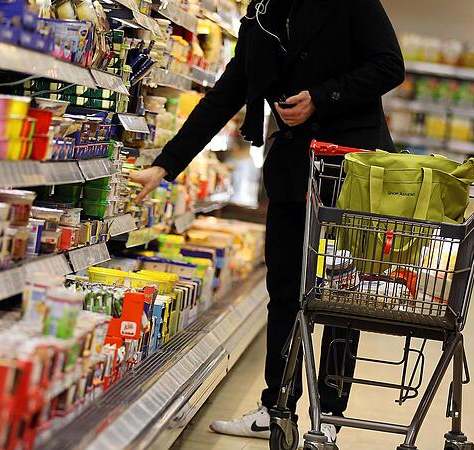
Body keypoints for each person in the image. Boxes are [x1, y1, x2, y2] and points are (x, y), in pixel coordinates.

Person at [131, 0, 404, 444]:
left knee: (340, 300)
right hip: (293, 171)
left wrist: (321, 97)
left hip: (350, 171)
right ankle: (276, 408)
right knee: (285, 293)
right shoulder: (262, 15)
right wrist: (165, 166)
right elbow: (227, 93)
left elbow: (389, 66)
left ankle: (329, 417)